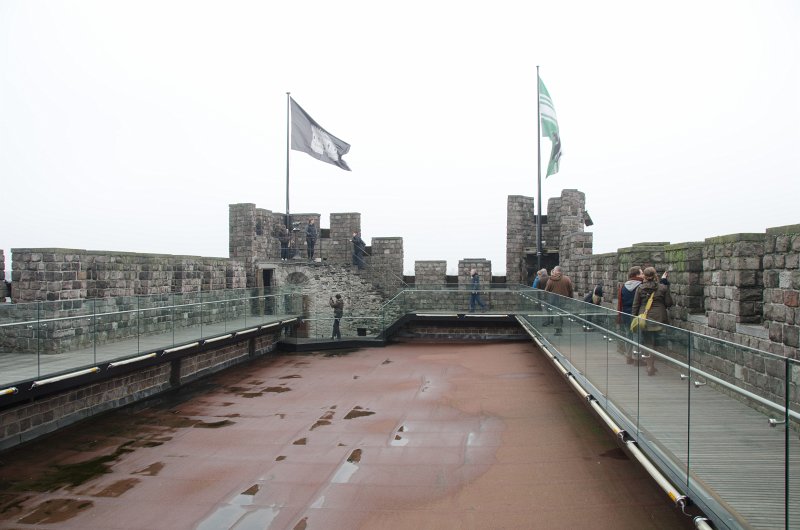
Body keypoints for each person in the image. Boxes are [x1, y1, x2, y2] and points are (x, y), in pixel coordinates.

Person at [631, 267, 673, 376]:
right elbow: (669, 303)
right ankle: (652, 365)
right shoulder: (663, 288)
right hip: (659, 318)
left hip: (645, 319)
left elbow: (636, 305)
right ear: (655, 276)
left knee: (648, 342)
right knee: (656, 343)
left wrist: (633, 318)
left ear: (644, 276)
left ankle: (650, 366)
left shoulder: (640, 288)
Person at [617, 266, 644, 363]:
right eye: (641, 273)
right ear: (636, 275)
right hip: (636, 314)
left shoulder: (624, 286)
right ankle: (637, 358)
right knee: (637, 336)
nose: (643, 275)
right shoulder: (641, 285)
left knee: (628, 335)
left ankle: (628, 356)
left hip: (625, 313)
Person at [544, 265, 574, 335]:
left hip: (553, 300)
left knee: (556, 314)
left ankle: (558, 329)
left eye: (554, 270)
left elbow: (546, 291)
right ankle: (560, 327)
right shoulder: (567, 279)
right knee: (560, 313)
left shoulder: (550, 280)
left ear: (555, 271)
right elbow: (570, 290)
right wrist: (571, 298)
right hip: (564, 299)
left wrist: (546, 299)